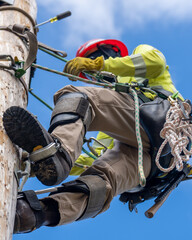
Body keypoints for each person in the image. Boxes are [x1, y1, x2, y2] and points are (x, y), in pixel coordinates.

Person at [3, 39, 184, 233]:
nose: (92, 74)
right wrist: (35, 164)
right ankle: (33, 214)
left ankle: (58, 152)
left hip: (165, 122)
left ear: (110, 51)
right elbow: (91, 157)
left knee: (77, 98)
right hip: (157, 162)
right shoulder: (115, 107)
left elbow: (153, 61)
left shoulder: (139, 59)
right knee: (100, 182)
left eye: (93, 58)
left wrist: (99, 65)